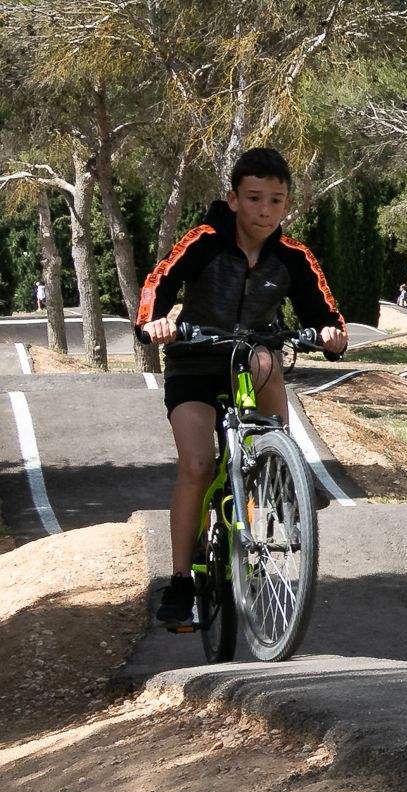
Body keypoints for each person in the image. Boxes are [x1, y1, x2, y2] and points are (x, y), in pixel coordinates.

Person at [135, 146, 348, 630]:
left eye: (276, 200)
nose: (265, 210)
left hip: (251, 359)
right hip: (195, 360)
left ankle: (280, 466)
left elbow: (325, 313)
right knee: (196, 465)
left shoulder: (293, 257)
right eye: (254, 199)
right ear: (233, 199)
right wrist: (153, 323)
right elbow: (158, 283)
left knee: (266, 357)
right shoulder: (204, 241)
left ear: (287, 204)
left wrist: (332, 334)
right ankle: (180, 583)